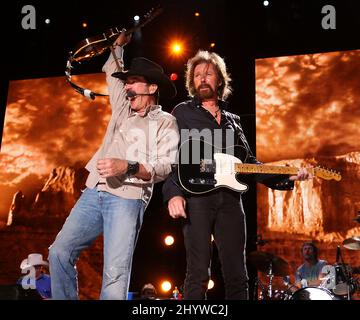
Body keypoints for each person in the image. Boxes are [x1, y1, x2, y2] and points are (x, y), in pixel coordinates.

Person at [162, 50, 312, 300]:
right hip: (197, 198)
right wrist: (173, 194)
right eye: (197, 75)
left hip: (231, 200)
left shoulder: (233, 120)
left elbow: (249, 164)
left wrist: (288, 175)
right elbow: (168, 157)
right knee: (199, 273)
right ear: (191, 81)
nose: (202, 79)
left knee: (237, 274)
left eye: (208, 74)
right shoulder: (182, 112)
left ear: (219, 80)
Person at [49, 31, 179, 300]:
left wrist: (128, 166)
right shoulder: (122, 109)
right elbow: (112, 73)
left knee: (115, 273)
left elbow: (165, 166)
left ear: (153, 87)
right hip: (94, 191)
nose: (127, 87)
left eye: (134, 82)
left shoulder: (166, 122)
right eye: (127, 82)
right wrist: (118, 47)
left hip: (127, 198)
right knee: (59, 252)